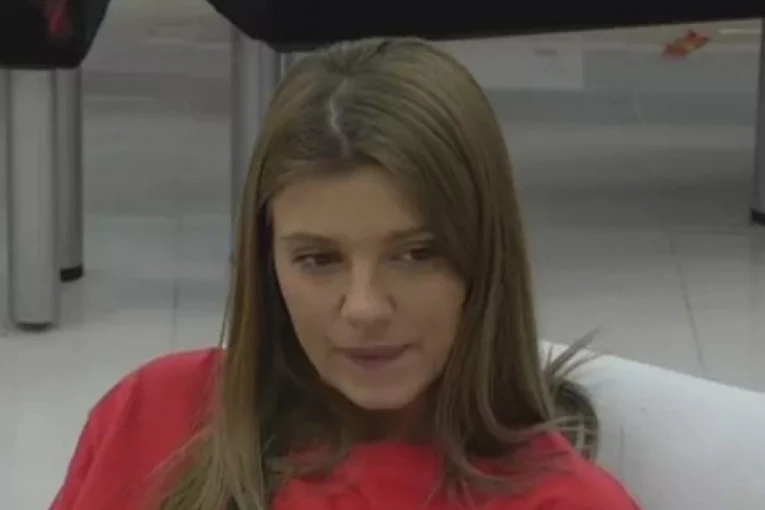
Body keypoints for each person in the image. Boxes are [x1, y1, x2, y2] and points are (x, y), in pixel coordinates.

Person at [50, 37, 641, 510]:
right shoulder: (150, 416)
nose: (364, 307)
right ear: (267, 263)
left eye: (416, 254)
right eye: (319, 260)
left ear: (486, 254)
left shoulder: (568, 501)